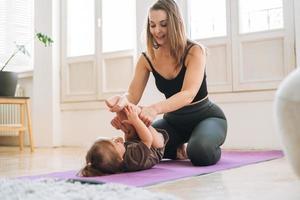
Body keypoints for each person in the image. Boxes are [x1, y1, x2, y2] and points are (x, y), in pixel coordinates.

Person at [108, 0, 227, 166]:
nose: (157, 31)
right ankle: (179, 149)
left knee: (200, 152)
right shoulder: (146, 58)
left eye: (163, 24)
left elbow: (188, 94)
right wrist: (121, 102)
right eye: (152, 25)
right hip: (174, 122)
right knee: (138, 138)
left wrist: (154, 109)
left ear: (175, 24)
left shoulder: (194, 51)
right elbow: (132, 95)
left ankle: (203, 143)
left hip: (206, 117)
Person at [79, 102, 169, 177]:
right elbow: (148, 139)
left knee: (123, 114)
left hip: (140, 143)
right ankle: (137, 111)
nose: (116, 140)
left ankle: (121, 106)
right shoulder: (134, 160)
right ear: (120, 159)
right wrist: (137, 121)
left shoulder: (119, 160)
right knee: (138, 118)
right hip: (155, 148)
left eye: (112, 140)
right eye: (115, 143)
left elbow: (130, 142)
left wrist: (123, 128)